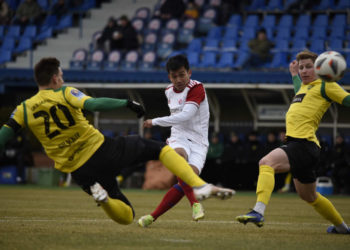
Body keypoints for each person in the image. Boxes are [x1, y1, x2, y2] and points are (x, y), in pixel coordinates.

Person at [0, 57, 234, 225]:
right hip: (101, 150)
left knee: (126, 215)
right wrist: (125, 103)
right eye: (60, 76)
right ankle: (200, 185)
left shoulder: (23, 109)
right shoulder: (64, 92)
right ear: (54, 78)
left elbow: (4, 136)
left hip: (79, 172)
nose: (62, 79)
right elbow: (93, 104)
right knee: (156, 148)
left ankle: (104, 200)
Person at [236, 50, 350, 234]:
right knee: (309, 196)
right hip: (304, 147)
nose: (304, 71)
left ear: (320, 69)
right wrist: (294, 75)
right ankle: (342, 228)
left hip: (303, 144)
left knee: (266, 162)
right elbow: (299, 90)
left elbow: (347, 100)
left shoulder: (326, 85)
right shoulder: (305, 87)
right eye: (302, 67)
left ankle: (258, 211)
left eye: (309, 67)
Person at [138, 54, 227, 227]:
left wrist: (154, 121)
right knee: (179, 160)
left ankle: (152, 217)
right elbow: (177, 119)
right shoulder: (168, 91)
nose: (178, 79)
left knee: (186, 178)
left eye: (181, 74)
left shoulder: (197, 88)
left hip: (199, 142)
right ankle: (195, 203)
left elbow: (186, 115)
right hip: (179, 137)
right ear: (169, 77)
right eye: (174, 76)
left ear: (189, 72)